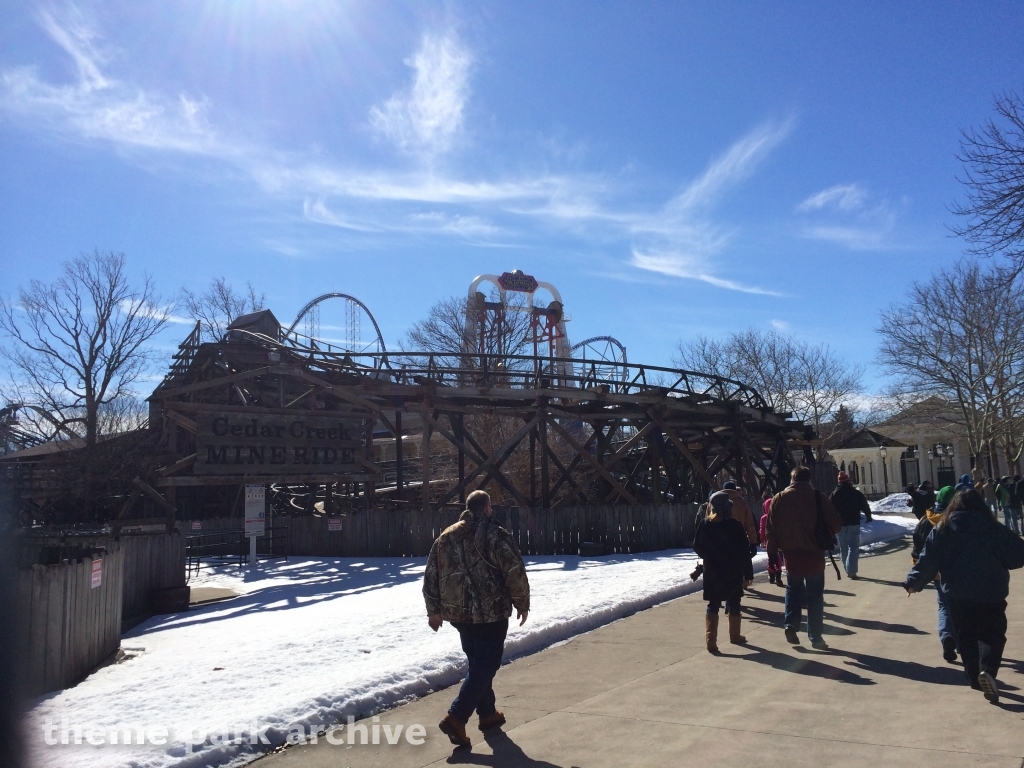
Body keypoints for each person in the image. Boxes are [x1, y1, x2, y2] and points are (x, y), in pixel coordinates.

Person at [423, 490, 531, 748]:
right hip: (490, 613)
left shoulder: (446, 536)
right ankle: (457, 717)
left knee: (478, 663)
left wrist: (434, 610)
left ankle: (488, 714)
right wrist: (522, 602)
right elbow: (514, 570)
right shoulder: (495, 534)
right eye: (491, 508)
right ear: (487, 508)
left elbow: (431, 575)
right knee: (486, 664)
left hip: (459, 615)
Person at [905, 489, 1024, 704]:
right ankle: (987, 670)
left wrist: (914, 582)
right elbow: (1017, 555)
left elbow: (928, 559)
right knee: (993, 634)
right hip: (991, 591)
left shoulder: (943, 528)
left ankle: (973, 677)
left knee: (966, 635)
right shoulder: (994, 528)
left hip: (958, 593)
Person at [766, 466, 844, 650]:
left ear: (792, 479)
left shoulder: (779, 499)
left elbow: (771, 530)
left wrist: (772, 554)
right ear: (809, 479)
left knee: (793, 589)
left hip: (791, 554)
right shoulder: (818, 497)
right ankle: (816, 637)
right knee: (815, 596)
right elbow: (837, 523)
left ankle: (790, 625)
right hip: (814, 553)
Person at [693, 491, 754, 652]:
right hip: (733, 569)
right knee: (734, 601)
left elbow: (696, 545)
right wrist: (748, 573)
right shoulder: (735, 525)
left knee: (713, 603)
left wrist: (708, 556)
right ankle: (735, 635)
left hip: (712, 570)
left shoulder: (706, 524)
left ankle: (711, 640)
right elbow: (744, 552)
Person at [910, 486, 957, 663]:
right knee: (959, 604)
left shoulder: (925, 519)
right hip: (956, 570)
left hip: (935, 571)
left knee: (944, 605)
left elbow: (917, 546)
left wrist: (919, 569)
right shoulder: (956, 519)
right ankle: (960, 638)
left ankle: (946, 636)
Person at [828, 471, 872, 580]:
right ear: (848, 481)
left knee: (844, 547)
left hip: (840, 525)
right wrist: (868, 515)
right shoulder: (855, 493)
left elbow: (829, 509)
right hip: (853, 522)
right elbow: (864, 505)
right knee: (853, 547)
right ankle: (851, 571)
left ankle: (847, 569)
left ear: (839, 482)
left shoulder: (834, 494)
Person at [722, 480, 759, 555]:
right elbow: (749, 524)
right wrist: (753, 542)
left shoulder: (715, 501)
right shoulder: (742, 502)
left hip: (720, 539)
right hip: (739, 539)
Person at [760, 495, 785, 587]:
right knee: (778, 559)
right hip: (779, 541)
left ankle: (772, 575)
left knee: (772, 559)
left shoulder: (764, 518)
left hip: (769, 542)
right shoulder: (779, 516)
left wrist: (762, 539)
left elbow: (762, 529)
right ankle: (777, 575)